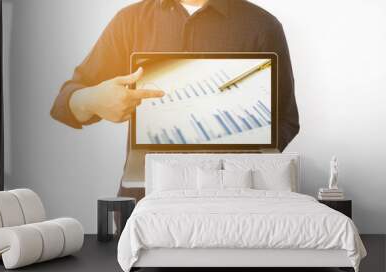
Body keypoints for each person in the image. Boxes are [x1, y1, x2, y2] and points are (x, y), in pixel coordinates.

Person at [50, 0, 300, 203]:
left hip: (235, 197)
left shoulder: (264, 27)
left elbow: (286, 120)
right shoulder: (130, 21)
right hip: (146, 199)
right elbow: (63, 104)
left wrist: (239, 152)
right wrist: (93, 100)